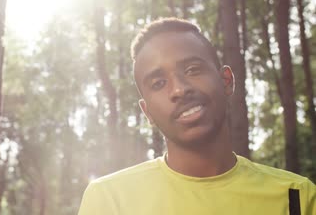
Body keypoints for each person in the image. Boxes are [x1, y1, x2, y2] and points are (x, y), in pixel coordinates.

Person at [77, 18, 315, 215]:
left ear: (226, 81)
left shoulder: (297, 196)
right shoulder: (109, 200)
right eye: (159, 83)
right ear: (147, 112)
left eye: (192, 70)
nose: (179, 89)